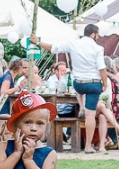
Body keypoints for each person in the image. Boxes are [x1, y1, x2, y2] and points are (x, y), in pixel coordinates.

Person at [30, 25, 108, 154]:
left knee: (78, 87)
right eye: (97, 35)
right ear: (93, 34)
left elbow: (53, 48)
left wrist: (37, 42)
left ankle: (82, 106)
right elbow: (102, 68)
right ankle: (88, 145)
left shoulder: (73, 44)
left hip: (79, 84)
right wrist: (104, 83)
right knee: (91, 115)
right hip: (93, 83)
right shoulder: (98, 48)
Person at [95, 57, 119, 148]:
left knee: (101, 107)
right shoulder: (117, 76)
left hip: (113, 109)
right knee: (102, 116)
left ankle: (114, 138)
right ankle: (102, 146)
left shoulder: (105, 76)